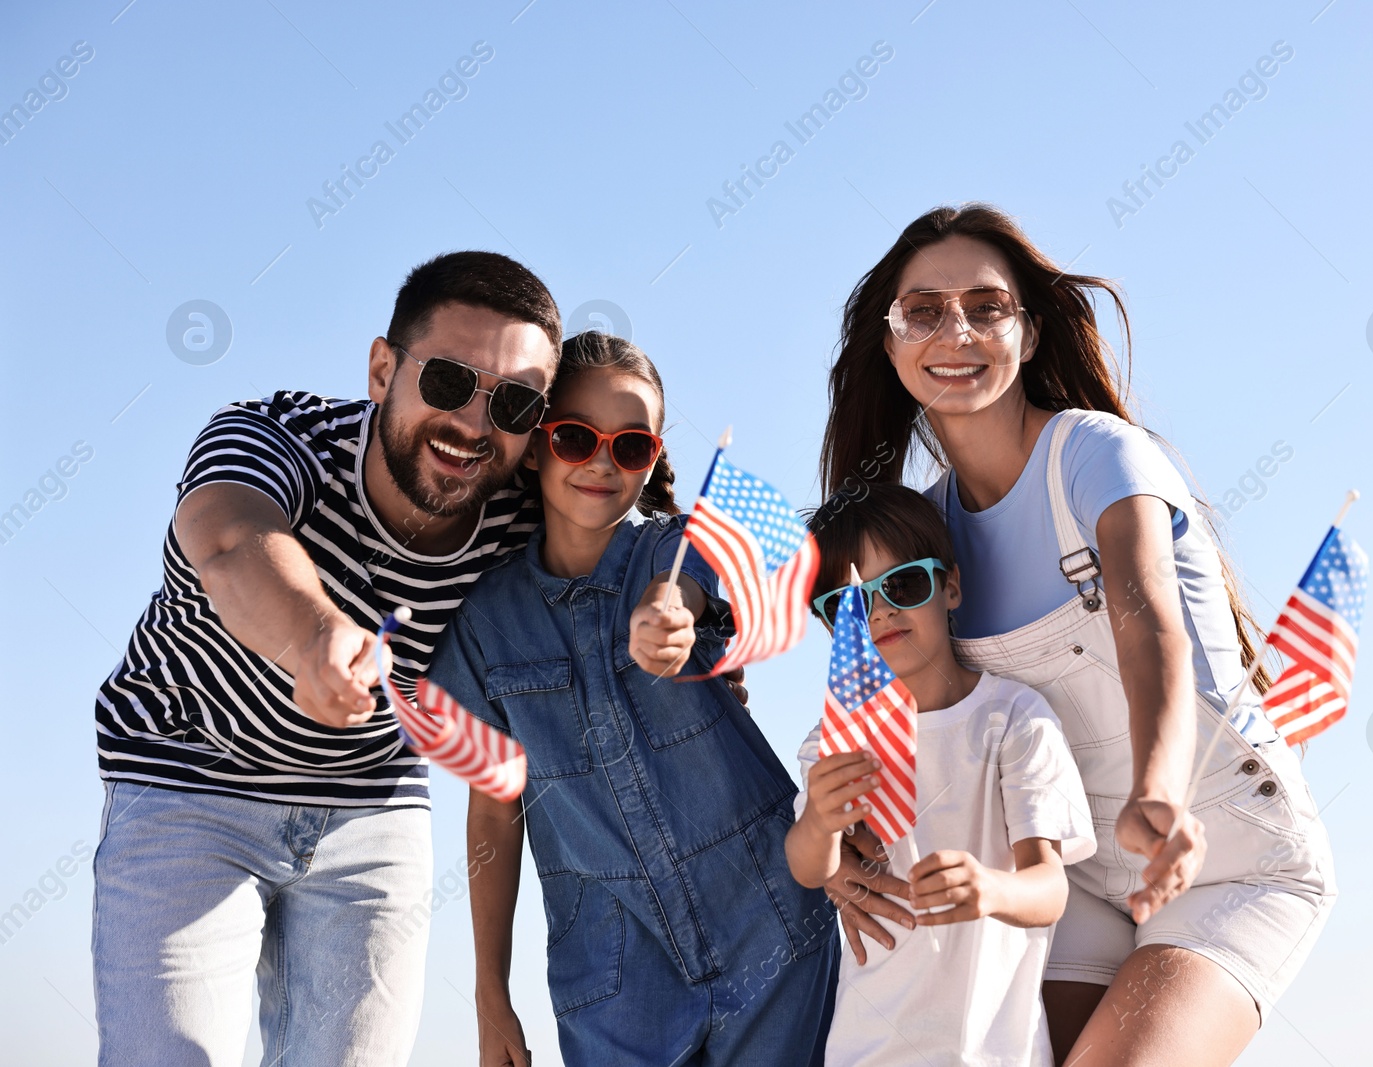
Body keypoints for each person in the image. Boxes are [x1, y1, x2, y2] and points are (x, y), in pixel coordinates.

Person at [818, 204, 1337, 1066]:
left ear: (1027, 330)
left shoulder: (1095, 455)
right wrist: (843, 850)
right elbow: (905, 713)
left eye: (987, 306)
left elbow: (1150, 628)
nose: (957, 329)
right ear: (890, 341)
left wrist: (1160, 791)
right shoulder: (925, 537)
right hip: (1070, 874)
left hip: (1224, 851)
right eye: (924, 310)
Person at [91, 251, 565, 1065]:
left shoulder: (520, 514)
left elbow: (628, 560)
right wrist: (314, 638)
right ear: (383, 369)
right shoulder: (276, 437)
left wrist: (705, 630)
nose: (476, 427)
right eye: (449, 382)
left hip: (371, 804)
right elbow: (232, 534)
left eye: (515, 402)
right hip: (191, 775)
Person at [427, 331, 838, 1067]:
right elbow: (494, 807)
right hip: (610, 975)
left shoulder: (673, 550)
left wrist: (673, 609)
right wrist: (491, 993)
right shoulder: (486, 620)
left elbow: (704, 573)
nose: (601, 463)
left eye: (631, 446)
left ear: (652, 459)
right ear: (539, 443)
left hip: (770, 926)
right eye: (578, 437)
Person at [786, 485, 1095, 1066]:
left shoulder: (1013, 719)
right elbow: (811, 868)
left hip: (998, 1052)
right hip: (867, 1051)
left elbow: (1049, 888)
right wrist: (822, 824)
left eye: (901, 585)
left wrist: (990, 889)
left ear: (949, 585)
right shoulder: (835, 740)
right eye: (849, 604)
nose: (880, 612)